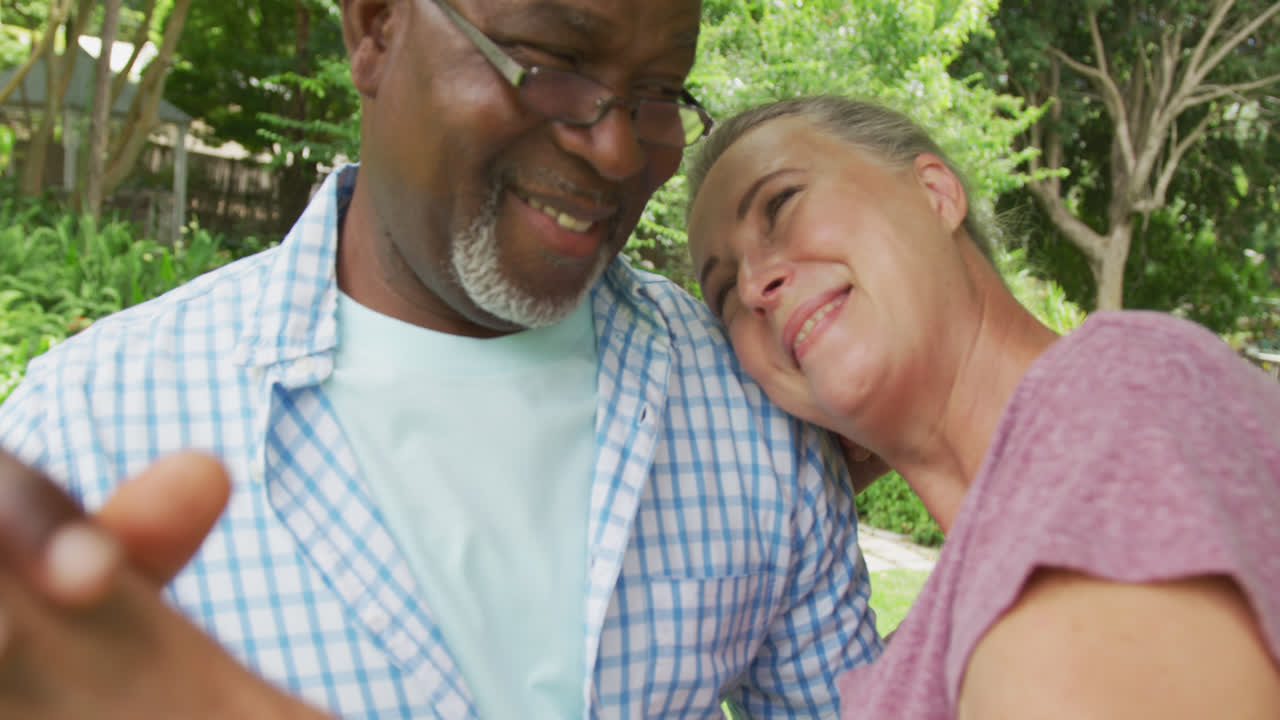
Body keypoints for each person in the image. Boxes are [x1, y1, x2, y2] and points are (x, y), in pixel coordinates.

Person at [0, 3, 887, 718]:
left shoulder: (752, 410)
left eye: (658, 90)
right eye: (549, 63)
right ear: (376, 29)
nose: (617, 149)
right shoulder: (91, 426)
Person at [683, 94, 1280, 719]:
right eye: (723, 292)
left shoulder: (1128, 391)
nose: (753, 285)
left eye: (782, 203)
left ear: (935, 194)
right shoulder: (906, 663)